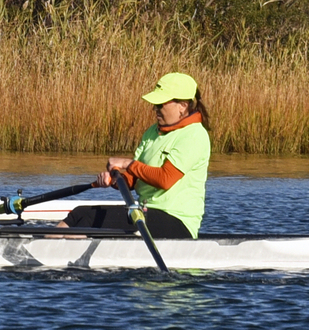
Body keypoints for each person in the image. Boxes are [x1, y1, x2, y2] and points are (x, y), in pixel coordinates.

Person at [61, 72, 211, 239]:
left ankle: (60, 261)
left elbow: (165, 179)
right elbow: (133, 179)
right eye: (155, 105)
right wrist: (114, 180)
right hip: (145, 213)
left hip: (177, 221)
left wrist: (127, 163)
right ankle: (41, 253)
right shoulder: (152, 132)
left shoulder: (194, 135)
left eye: (161, 104)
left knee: (88, 219)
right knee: (78, 214)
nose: (156, 109)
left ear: (182, 105)